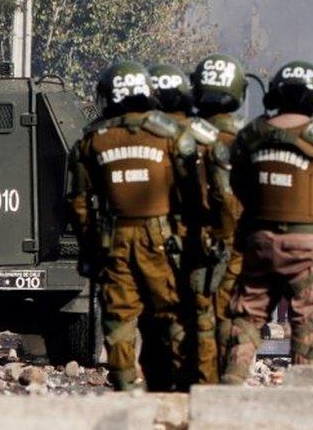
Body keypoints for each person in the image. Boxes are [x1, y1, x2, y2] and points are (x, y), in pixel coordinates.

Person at [221, 61, 313, 383]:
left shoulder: (253, 132)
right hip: (308, 245)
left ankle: (229, 384)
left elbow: (237, 181)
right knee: (307, 316)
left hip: (259, 238)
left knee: (247, 313)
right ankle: (306, 387)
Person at [67, 61, 201, 391]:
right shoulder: (172, 135)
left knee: (119, 316)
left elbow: (77, 202)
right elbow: (194, 194)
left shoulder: (92, 140)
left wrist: (89, 245)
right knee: (171, 312)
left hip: (114, 238)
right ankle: (179, 385)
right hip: (162, 239)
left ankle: (125, 387)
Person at [148, 63, 230, 385]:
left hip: (151, 236)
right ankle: (202, 385)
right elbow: (221, 191)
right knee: (200, 315)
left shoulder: (132, 132)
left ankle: (161, 386)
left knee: (154, 317)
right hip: (191, 236)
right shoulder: (201, 133)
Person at [189, 53, 247, 371]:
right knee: (225, 313)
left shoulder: (177, 134)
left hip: (182, 239)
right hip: (228, 242)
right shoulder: (243, 140)